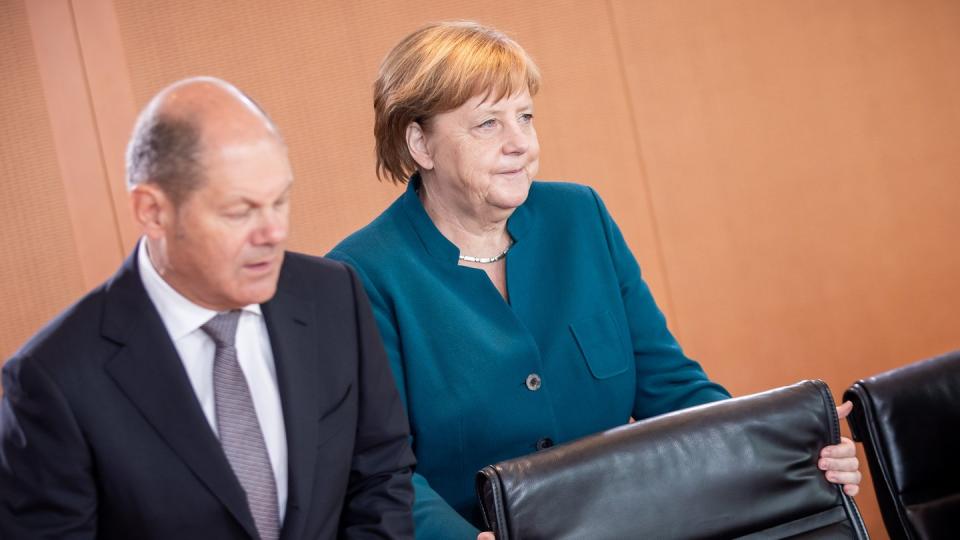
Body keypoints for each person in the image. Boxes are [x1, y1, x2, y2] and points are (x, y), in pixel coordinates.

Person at [328, 22, 862, 539]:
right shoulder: (362, 277)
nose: (521, 144)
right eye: (489, 123)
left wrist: (788, 446)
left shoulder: (580, 216)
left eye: (526, 116)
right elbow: (382, 477)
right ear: (420, 145)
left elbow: (670, 387)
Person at [0, 77, 415, 539]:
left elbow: (381, 473)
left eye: (280, 201)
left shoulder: (332, 293)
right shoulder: (52, 380)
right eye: (240, 211)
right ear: (153, 211)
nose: (273, 232)